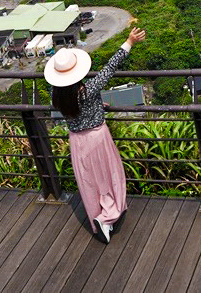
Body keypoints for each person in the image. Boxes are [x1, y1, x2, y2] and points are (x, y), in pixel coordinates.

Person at [44, 26, 146, 243]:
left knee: (89, 182)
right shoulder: (88, 91)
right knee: (109, 176)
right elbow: (110, 68)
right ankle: (109, 216)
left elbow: (74, 105)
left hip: (77, 141)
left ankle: (99, 219)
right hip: (97, 138)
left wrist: (97, 105)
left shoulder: (56, 94)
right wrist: (130, 41)